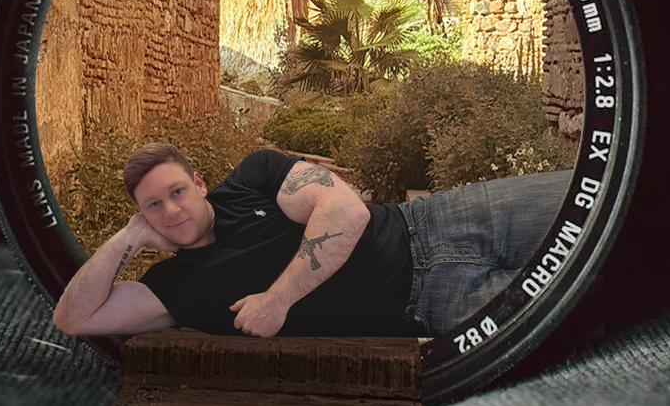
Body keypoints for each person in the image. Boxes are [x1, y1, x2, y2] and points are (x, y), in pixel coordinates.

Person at [49, 142, 569, 340]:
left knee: (598, 200)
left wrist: (278, 301)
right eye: (153, 206)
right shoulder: (172, 288)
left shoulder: (255, 175)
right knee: (592, 303)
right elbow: (74, 319)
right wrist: (128, 237)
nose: (172, 210)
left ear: (200, 182)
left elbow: (346, 210)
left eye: (177, 191)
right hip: (434, 302)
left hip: (439, 222)